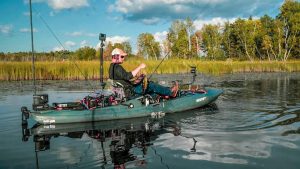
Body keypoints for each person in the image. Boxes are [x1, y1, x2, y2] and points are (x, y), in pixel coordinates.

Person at [109, 48, 178, 99]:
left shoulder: (112, 67)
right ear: (116, 56)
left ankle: (163, 95)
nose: (123, 58)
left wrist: (138, 79)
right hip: (131, 93)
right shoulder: (117, 67)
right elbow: (127, 76)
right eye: (122, 56)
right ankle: (171, 92)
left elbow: (124, 80)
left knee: (147, 84)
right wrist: (140, 67)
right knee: (151, 85)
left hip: (127, 91)